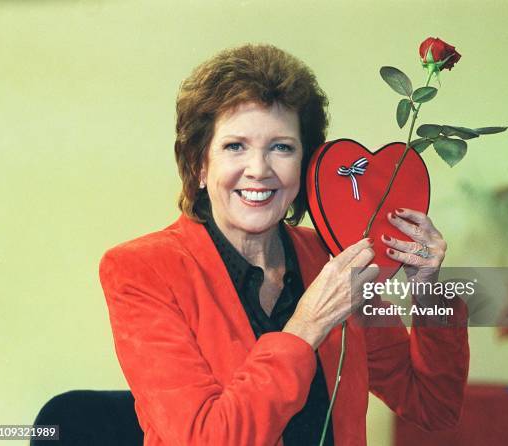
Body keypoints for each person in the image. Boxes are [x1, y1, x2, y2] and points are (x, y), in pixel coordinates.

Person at [99, 44, 469, 446]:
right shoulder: (142, 270)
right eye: (234, 146)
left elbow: (432, 405)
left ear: (305, 165)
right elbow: (204, 438)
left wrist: (430, 290)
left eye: (282, 147)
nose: (259, 170)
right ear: (199, 166)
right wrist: (306, 326)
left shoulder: (333, 258)